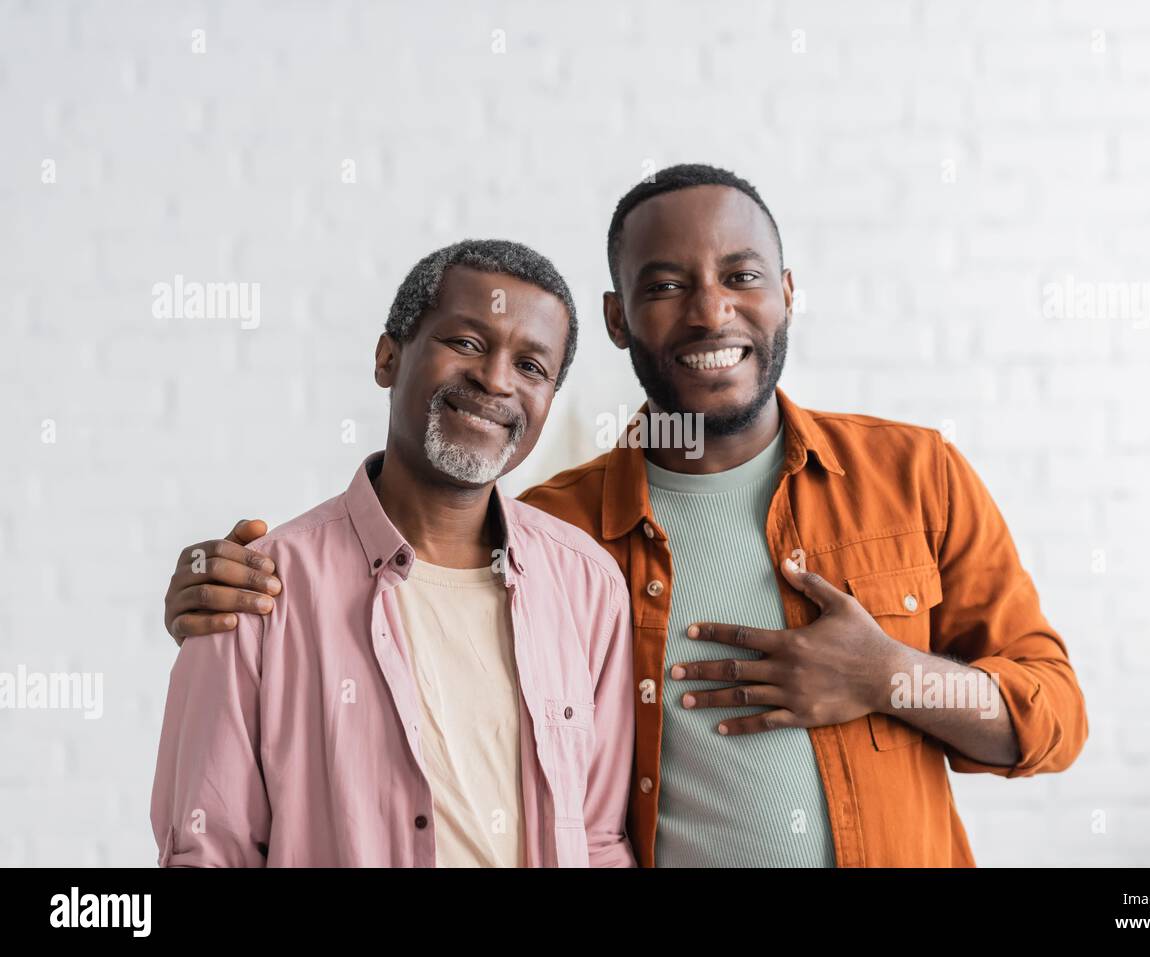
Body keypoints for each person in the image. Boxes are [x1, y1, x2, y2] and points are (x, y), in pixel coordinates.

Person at [161, 165, 1088, 867]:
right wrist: (221, 596)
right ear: (617, 318)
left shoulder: (914, 473)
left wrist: (892, 678)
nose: (710, 310)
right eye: (665, 285)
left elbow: (1055, 718)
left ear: (787, 292)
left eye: (742, 274)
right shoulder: (559, 538)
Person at [151, 239, 636, 867]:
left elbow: (597, 842)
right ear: (388, 357)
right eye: (465, 342)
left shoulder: (588, 587)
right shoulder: (256, 588)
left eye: (531, 367)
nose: (494, 379)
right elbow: (209, 851)